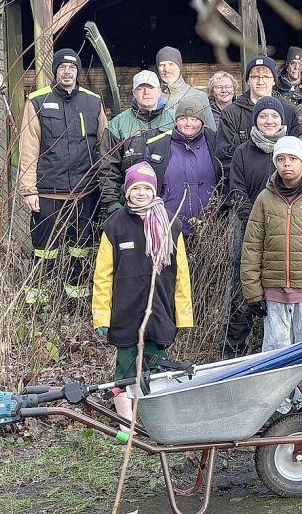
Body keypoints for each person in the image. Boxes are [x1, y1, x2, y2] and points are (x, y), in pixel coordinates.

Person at [240, 136, 302, 412]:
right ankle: (277, 402)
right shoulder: (265, 199)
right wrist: (253, 291)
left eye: (293, 159)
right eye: (281, 159)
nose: (287, 164)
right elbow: (252, 246)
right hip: (273, 288)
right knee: (276, 346)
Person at [92, 162, 192, 428]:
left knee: (157, 371)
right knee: (125, 370)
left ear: (154, 191)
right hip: (125, 314)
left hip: (160, 311)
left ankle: (156, 424)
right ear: (127, 191)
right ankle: (127, 425)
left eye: (147, 188)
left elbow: (182, 274)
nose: (141, 193)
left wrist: (183, 315)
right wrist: (101, 316)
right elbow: (102, 276)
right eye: (136, 188)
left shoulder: (170, 223)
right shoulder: (115, 226)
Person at [19, 48, 107, 310]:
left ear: (77, 72)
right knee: (44, 249)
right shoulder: (37, 101)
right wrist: (28, 189)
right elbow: (28, 148)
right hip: (48, 191)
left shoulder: (93, 101)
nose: (67, 72)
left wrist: (103, 185)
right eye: (62, 67)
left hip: (85, 191)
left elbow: (104, 146)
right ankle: (37, 303)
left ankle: (75, 300)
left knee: (81, 249)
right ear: (55, 71)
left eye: (72, 67)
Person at [222, 96, 291, 358]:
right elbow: (237, 190)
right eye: (263, 116)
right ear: (255, 120)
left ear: (282, 120)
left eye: (274, 116)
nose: (269, 121)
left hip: (284, 230)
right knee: (243, 287)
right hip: (247, 228)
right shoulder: (243, 151)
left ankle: (278, 348)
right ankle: (234, 350)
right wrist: (254, 222)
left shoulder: (290, 148)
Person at [141, 95, 222, 239]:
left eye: (194, 119)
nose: (188, 123)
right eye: (183, 118)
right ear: (176, 120)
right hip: (168, 226)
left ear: (202, 121)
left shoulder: (216, 142)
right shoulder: (156, 146)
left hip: (210, 227)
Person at [100, 70, 177, 214]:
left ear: (159, 91)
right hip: (129, 204)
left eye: (151, 87)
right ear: (133, 93)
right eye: (141, 88)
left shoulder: (176, 121)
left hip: (169, 203)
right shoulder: (118, 124)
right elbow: (108, 167)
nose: (146, 92)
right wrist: (111, 201)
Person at [217, 55, 301, 169]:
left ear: (274, 80)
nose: (260, 81)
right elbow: (225, 155)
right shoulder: (231, 113)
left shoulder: (290, 111)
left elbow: (297, 149)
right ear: (248, 80)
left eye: (266, 76)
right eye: (255, 76)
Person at [156, 46, 216, 131]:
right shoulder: (152, 97)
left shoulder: (199, 96)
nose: (166, 69)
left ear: (179, 67)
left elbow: (211, 132)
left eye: (171, 64)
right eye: (162, 65)